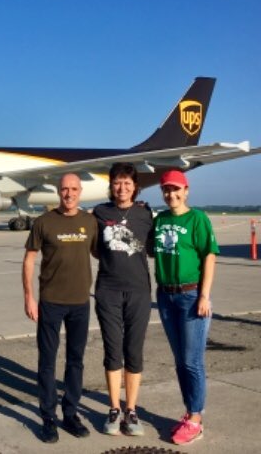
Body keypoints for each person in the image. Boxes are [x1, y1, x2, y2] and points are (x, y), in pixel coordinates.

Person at [22, 173, 98, 443]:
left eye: (74, 189)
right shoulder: (44, 222)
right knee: (47, 362)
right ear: (58, 192)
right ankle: (48, 418)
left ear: (80, 191)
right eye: (64, 189)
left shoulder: (90, 222)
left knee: (75, 361)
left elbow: (103, 252)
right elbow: (29, 260)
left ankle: (70, 413)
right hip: (51, 303)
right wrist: (29, 297)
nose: (69, 194)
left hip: (80, 303)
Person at [154, 169, 218, 445]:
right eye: (167, 190)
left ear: (186, 190)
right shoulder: (160, 220)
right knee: (180, 361)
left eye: (176, 189)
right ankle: (189, 410)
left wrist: (204, 295)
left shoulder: (197, 218)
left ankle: (196, 418)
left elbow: (209, 256)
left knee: (192, 361)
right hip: (166, 297)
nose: (171, 194)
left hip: (191, 296)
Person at [93, 163, 153, 436]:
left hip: (139, 291)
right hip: (108, 290)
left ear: (135, 186)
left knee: (134, 350)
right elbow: (96, 249)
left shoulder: (145, 213)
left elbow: (152, 248)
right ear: (111, 185)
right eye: (117, 182)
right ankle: (114, 408)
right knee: (112, 349)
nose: (122, 187)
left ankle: (132, 409)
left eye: (127, 182)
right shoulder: (100, 212)